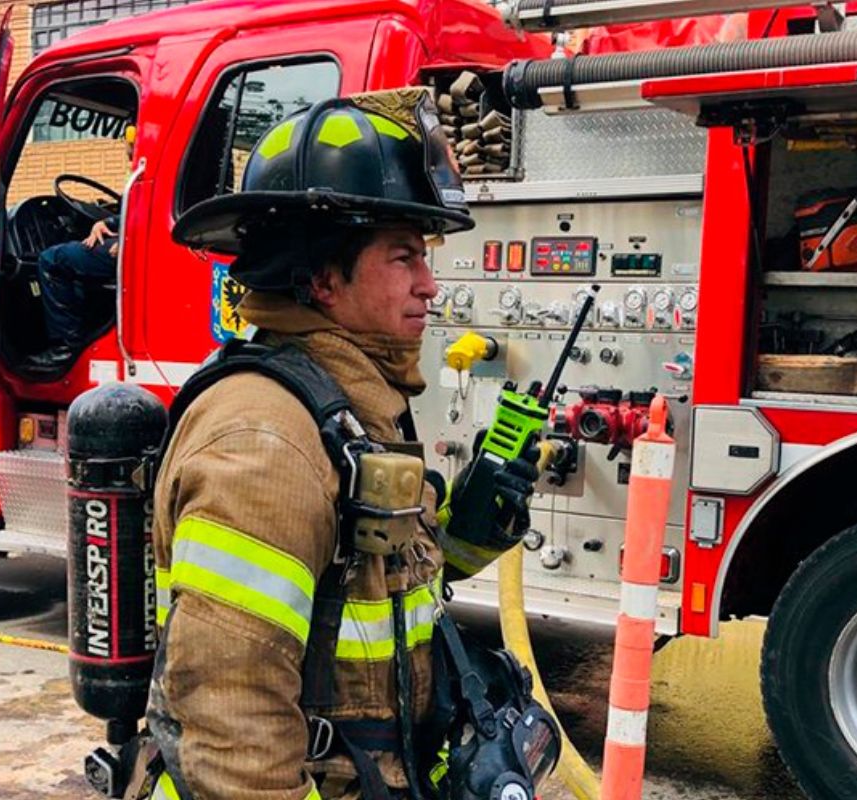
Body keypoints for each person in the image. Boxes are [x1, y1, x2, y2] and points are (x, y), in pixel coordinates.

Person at [144, 90, 543, 800]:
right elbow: (233, 729)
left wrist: (471, 531)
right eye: (404, 258)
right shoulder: (264, 443)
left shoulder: (351, 413)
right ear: (325, 278)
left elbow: (370, 599)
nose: (429, 284)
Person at [27, 123, 136, 369]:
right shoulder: (146, 170)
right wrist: (106, 222)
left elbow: (148, 216)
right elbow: (133, 214)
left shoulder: (148, 168)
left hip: (134, 248)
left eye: (128, 136)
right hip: (130, 241)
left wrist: (127, 240)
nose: (125, 143)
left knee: (52, 260)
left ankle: (66, 345)